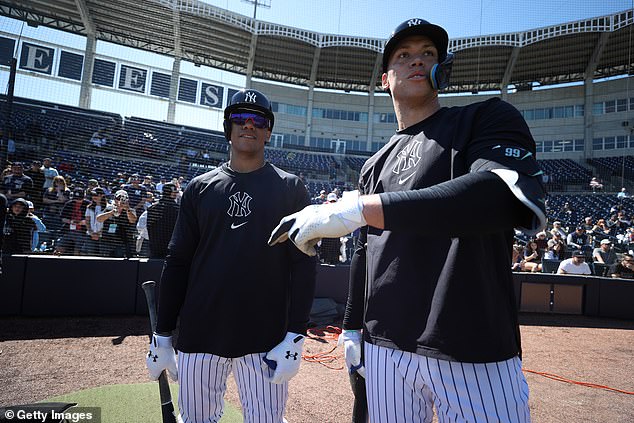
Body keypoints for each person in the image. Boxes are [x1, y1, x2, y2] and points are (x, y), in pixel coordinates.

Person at [269, 19, 546, 423]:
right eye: (404, 55)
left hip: (471, 344)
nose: (416, 61)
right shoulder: (374, 163)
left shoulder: (485, 118)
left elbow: (495, 197)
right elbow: (366, 252)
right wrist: (351, 328)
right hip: (385, 345)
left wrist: (357, 209)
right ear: (386, 78)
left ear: (442, 69)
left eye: (428, 54)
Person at [145, 89, 317, 423]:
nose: (248, 125)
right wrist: (163, 335)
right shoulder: (198, 188)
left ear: (268, 131)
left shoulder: (291, 187)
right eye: (240, 118)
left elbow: (304, 265)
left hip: (266, 339)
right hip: (200, 336)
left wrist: (296, 333)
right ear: (228, 127)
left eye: (258, 120)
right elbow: (177, 261)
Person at [97, 189, 137, 258]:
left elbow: (133, 220)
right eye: (118, 198)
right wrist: (111, 212)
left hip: (123, 242)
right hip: (108, 241)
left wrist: (127, 209)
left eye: (123, 198)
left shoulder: (130, 210)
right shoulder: (109, 208)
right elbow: (99, 219)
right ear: (115, 199)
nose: (120, 201)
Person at [145, 182, 179, 259]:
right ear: (170, 193)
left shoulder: (153, 207)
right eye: (174, 192)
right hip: (170, 247)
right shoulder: (177, 209)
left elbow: (148, 227)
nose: (176, 194)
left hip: (155, 247)